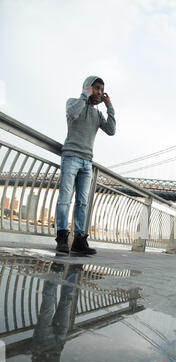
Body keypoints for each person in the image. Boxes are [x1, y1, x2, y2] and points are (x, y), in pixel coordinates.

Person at [55, 75, 116, 254]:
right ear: (88, 87)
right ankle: (62, 238)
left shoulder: (97, 114)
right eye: (96, 88)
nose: (99, 92)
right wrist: (84, 95)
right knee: (65, 200)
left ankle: (79, 241)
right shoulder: (73, 102)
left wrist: (109, 106)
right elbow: (72, 114)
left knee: (82, 203)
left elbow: (111, 130)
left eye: (101, 89)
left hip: (87, 162)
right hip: (71, 157)